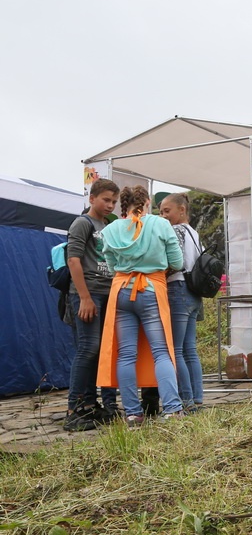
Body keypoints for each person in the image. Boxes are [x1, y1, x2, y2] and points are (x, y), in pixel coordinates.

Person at [98, 185, 184, 424]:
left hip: (122, 291)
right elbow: (177, 261)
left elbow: (113, 266)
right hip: (152, 289)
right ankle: (172, 409)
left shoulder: (111, 229)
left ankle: (133, 414)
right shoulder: (160, 224)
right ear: (146, 202)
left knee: (125, 354)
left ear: (123, 205)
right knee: (161, 351)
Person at [63, 178, 120, 431]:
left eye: (114, 202)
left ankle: (91, 405)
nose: (110, 205)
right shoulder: (82, 223)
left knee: (103, 350)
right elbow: (73, 260)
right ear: (92, 198)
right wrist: (84, 297)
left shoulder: (107, 224)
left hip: (108, 293)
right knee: (88, 348)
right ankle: (73, 410)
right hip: (87, 293)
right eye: (106, 200)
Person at [159, 193, 205, 413]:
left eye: (167, 211)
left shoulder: (176, 231)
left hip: (178, 289)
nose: (163, 216)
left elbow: (174, 263)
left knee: (176, 350)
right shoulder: (195, 234)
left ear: (182, 210)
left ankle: (185, 400)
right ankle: (197, 398)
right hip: (195, 294)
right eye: (161, 211)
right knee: (190, 350)